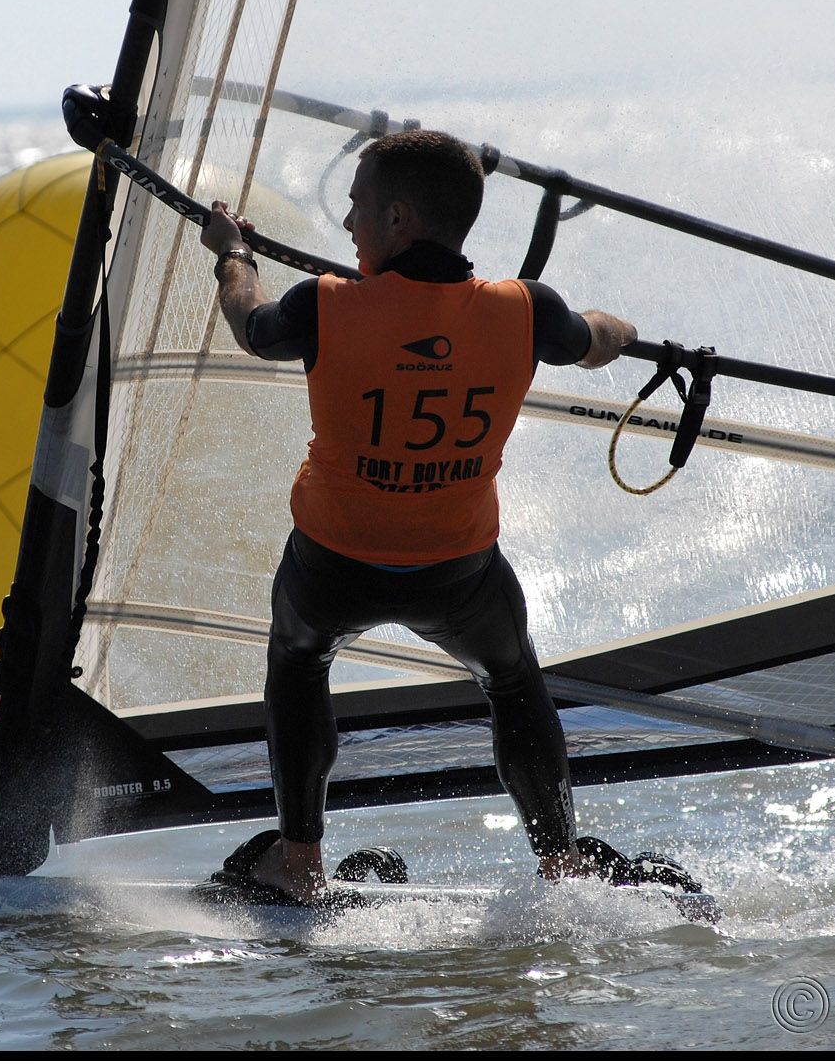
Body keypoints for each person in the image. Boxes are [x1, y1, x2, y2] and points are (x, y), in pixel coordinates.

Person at [197, 128, 648, 903]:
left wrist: (231, 254)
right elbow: (595, 340)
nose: (347, 228)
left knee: (299, 664)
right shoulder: (526, 312)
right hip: (459, 575)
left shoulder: (325, 306)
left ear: (399, 219)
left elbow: (249, 323)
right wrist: (633, 333)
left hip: (331, 569)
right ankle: (561, 864)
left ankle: (300, 859)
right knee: (512, 682)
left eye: (357, 210)